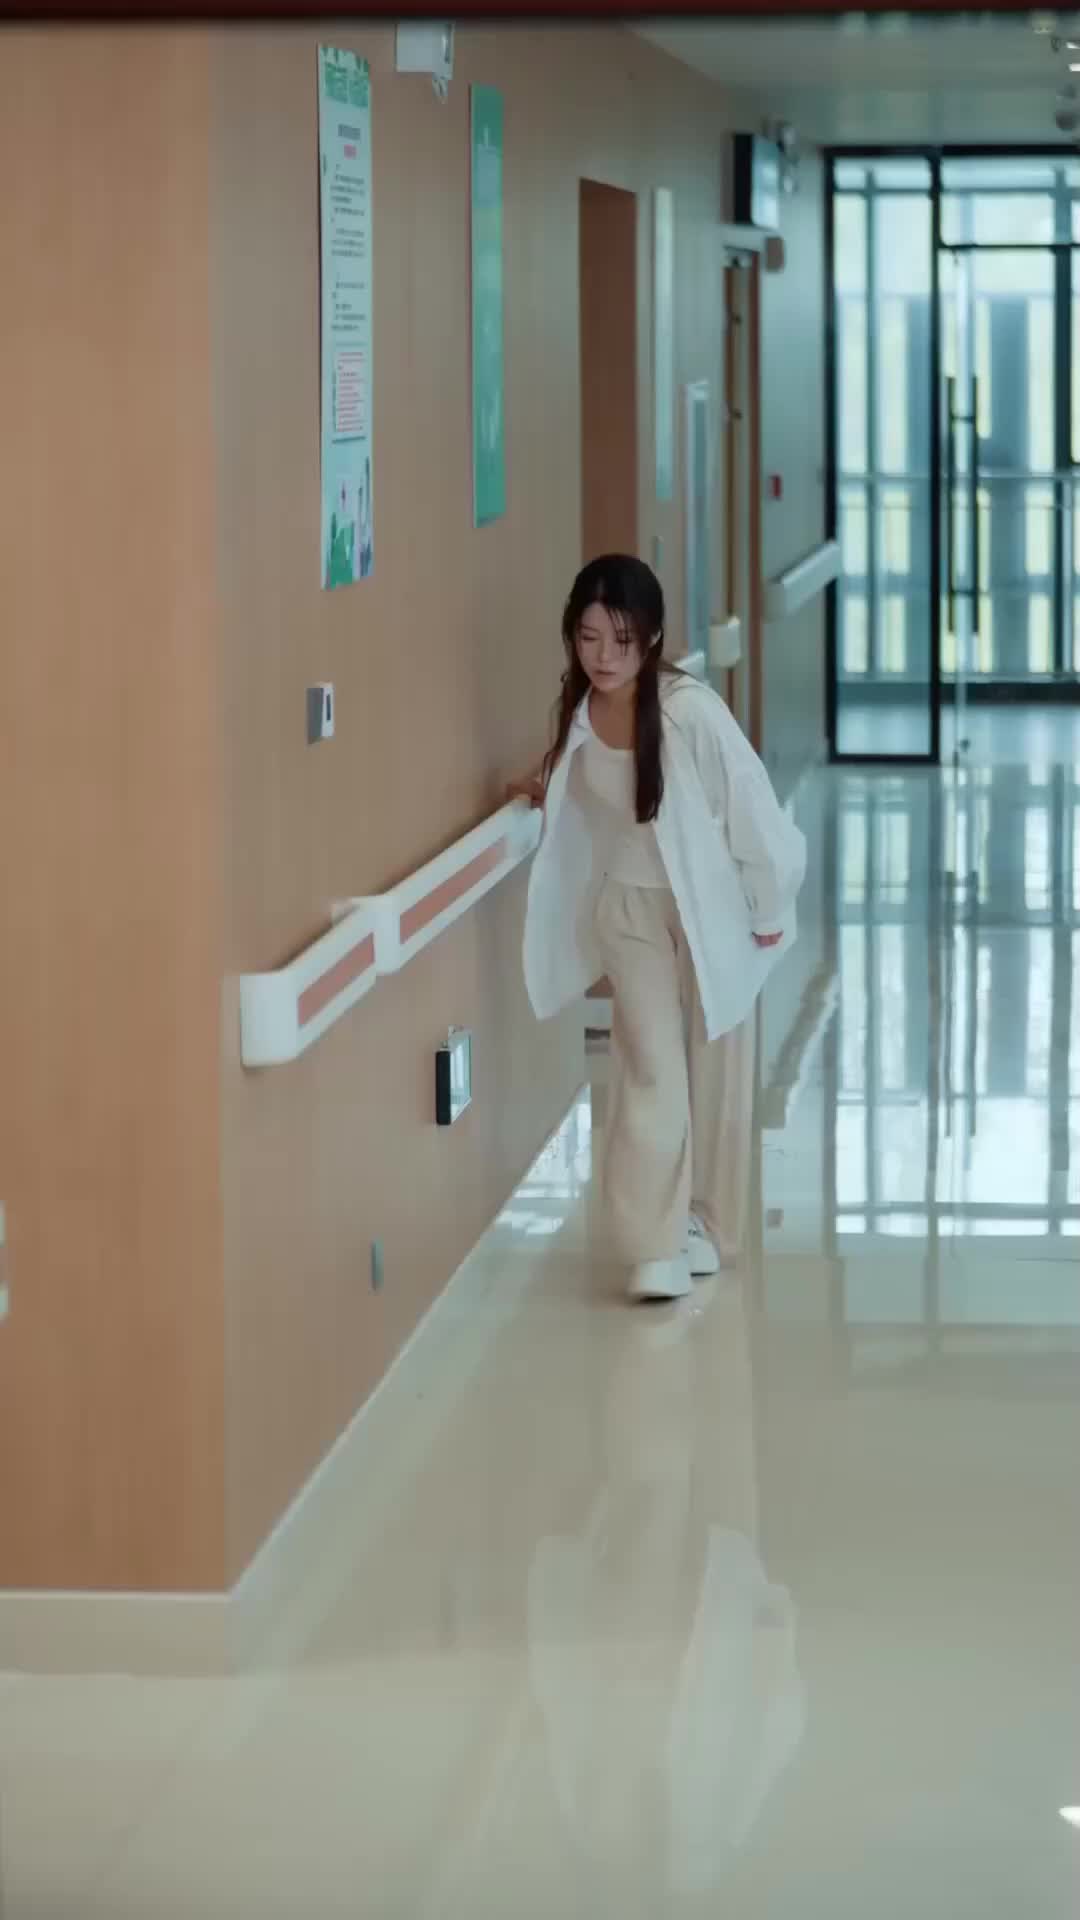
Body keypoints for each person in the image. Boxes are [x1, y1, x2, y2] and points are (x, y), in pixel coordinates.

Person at [511, 555, 806, 1304]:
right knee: (650, 1070)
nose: (603, 656)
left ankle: (707, 1223)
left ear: (651, 639)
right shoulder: (579, 709)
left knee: (717, 1066)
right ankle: (654, 1243)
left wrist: (769, 909)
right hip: (630, 909)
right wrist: (540, 787)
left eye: (620, 640)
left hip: (712, 909)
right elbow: (584, 788)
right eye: (588, 638)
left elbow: (750, 806)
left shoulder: (689, 710)